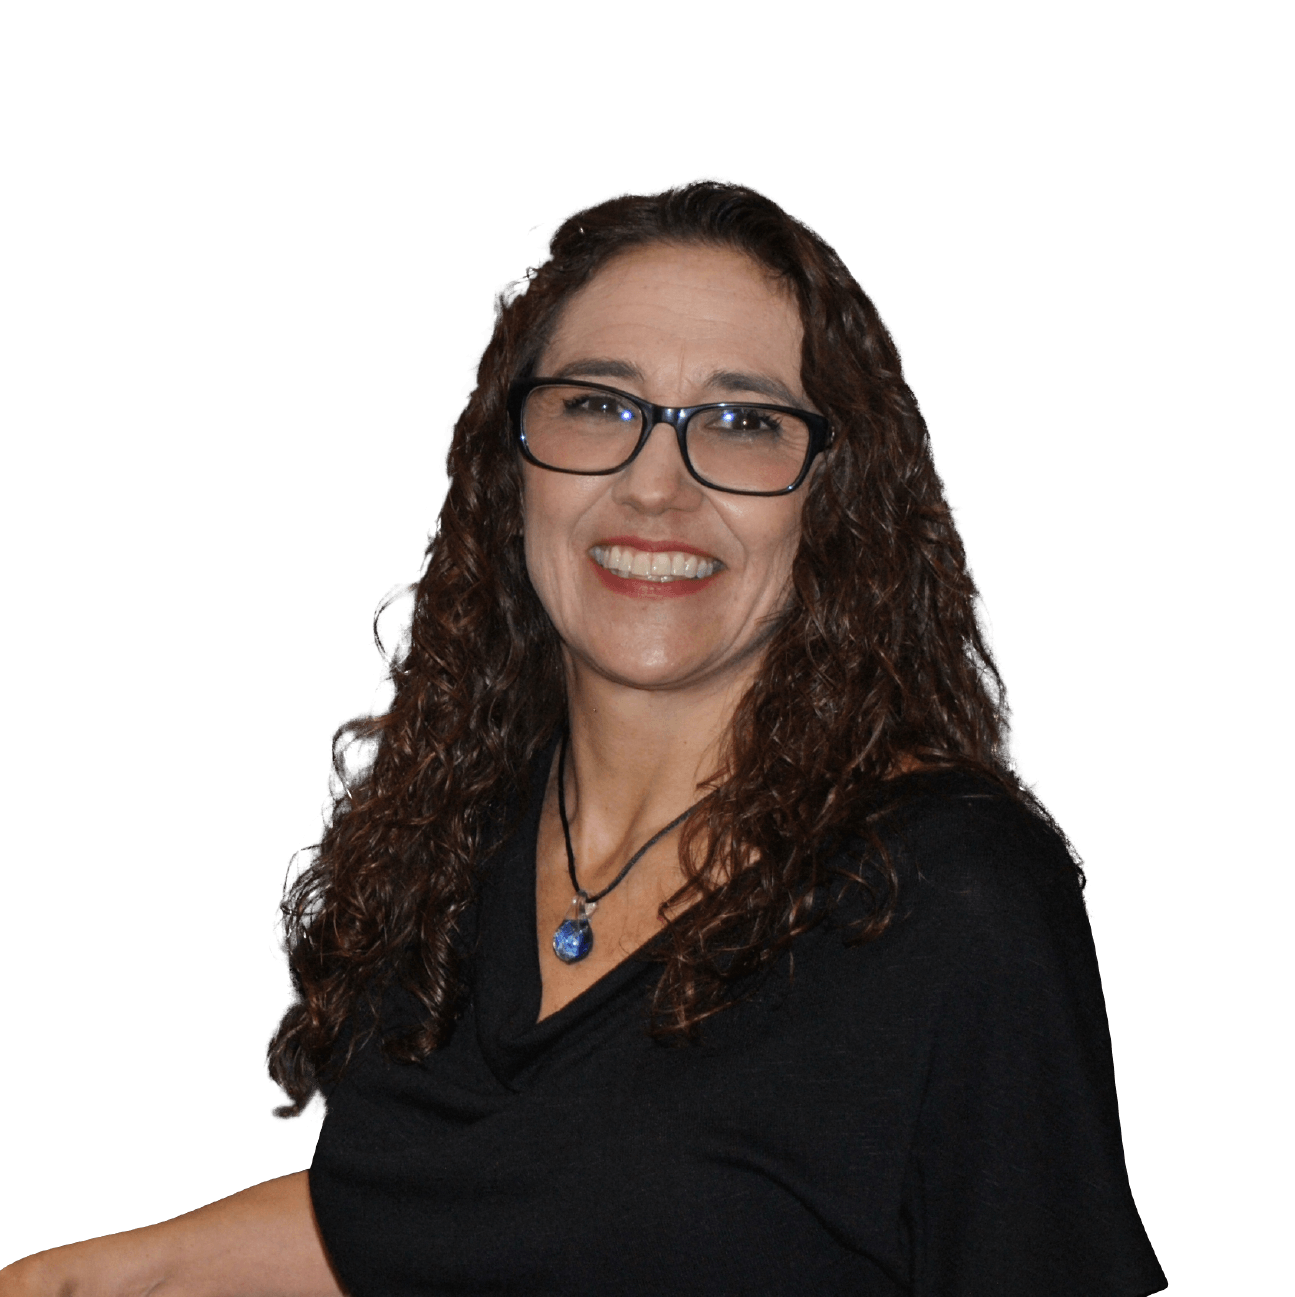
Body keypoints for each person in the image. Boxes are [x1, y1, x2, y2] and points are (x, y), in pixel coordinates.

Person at [0, 178, 1168, 1296]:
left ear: (831, 494)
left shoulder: (947, 893)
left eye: (741, 421)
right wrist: (78, 1275)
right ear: (512, 467)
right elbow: (458, 1214)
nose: (654, 486)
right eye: (599, 405)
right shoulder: (452, 834)